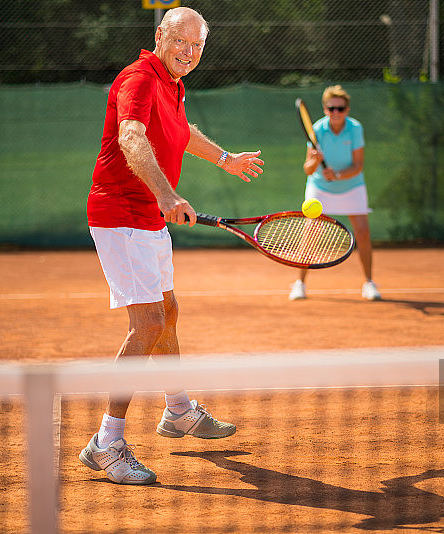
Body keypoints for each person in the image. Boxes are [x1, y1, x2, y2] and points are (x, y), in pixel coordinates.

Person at [79, 7, 264, 485]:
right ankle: (107, 441)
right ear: (159, 36)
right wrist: (166, 193)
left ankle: (178, 411)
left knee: (168, 310)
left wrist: (225, 159)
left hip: (147, 217)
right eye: (181, 41)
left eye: (198, 45)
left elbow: (179, 135)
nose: (189, 52)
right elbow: (131, 136)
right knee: (148, 323)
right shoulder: (139, 79)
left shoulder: (172, 83)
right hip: (121, 213)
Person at [289, 85, 381, 301]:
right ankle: (299, 283)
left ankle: (369, 283)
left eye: (340, 108)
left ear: (347, 110)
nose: (336, 113)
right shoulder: (317, 130)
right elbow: (307, 169)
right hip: (320, 187)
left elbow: (358, 165)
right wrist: (315, 161)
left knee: (363, 233)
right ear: (325, 109)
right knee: (310, 234)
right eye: (331, 108)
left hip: (352, 186)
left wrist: (338, 175)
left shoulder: (355, 128)